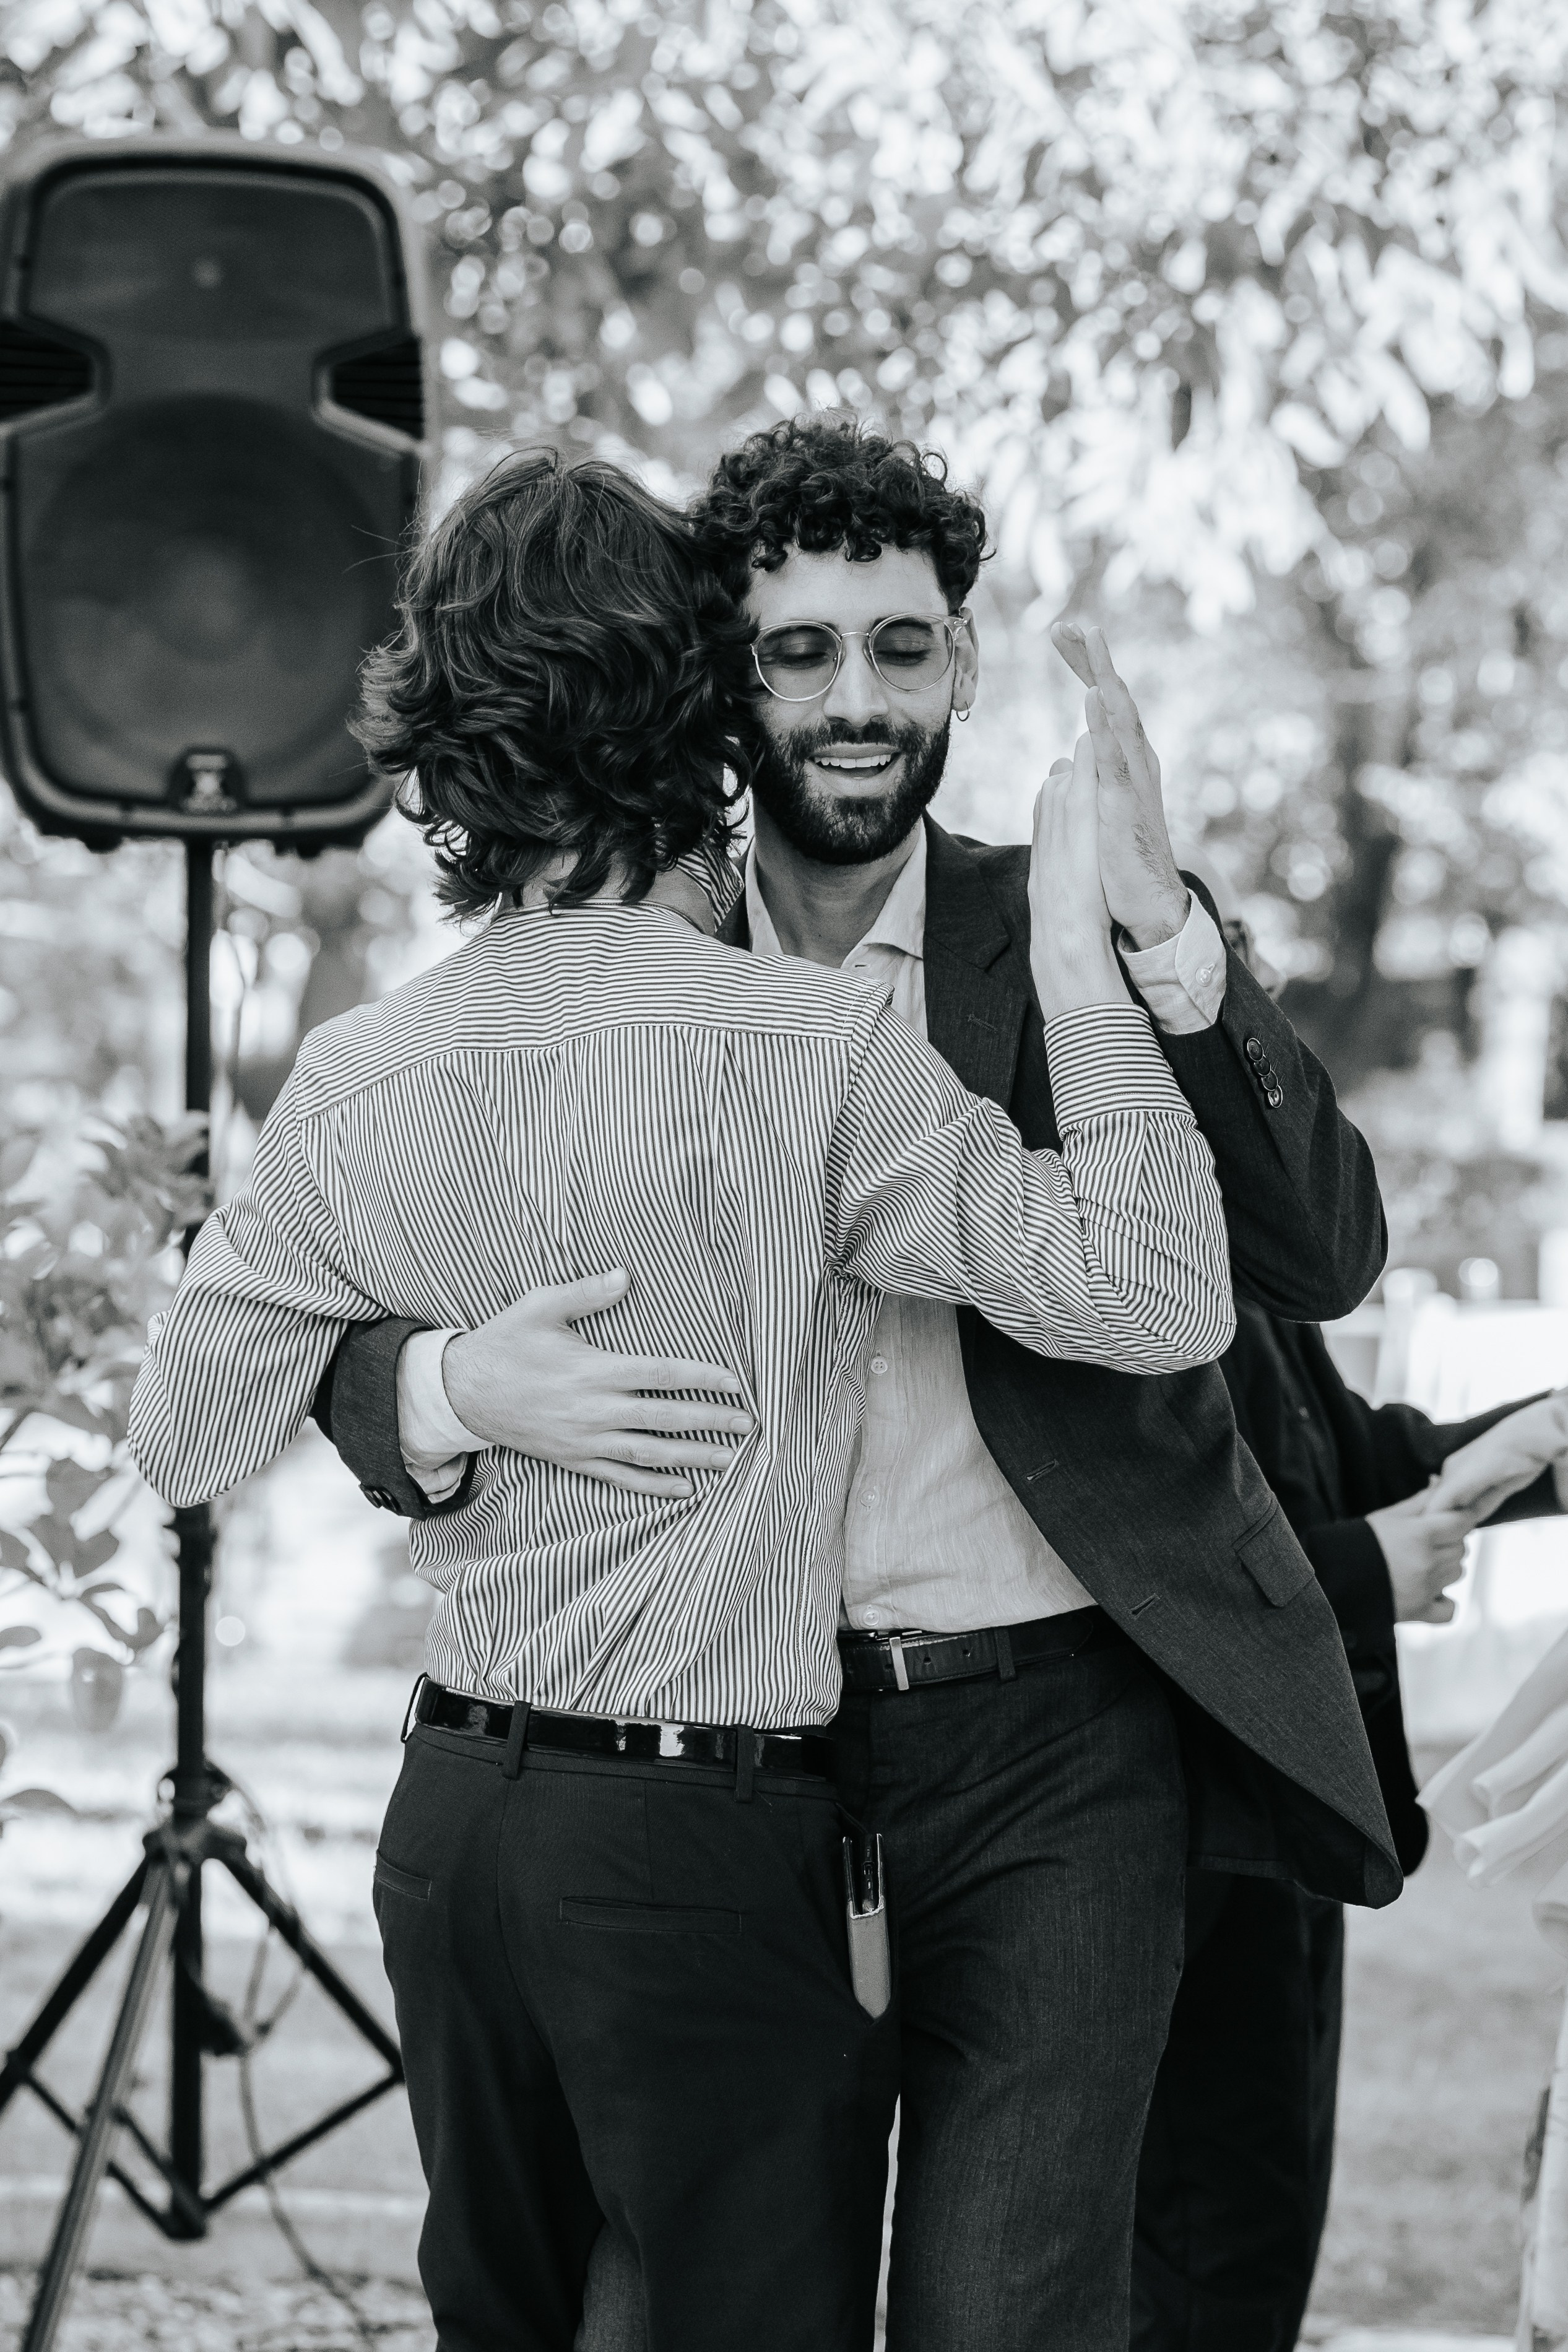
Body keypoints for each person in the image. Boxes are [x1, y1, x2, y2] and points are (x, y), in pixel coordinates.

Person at [128, 448, 1238, 2352]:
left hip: (449, 1823)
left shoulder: (359, 1069)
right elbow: (1152, 1292)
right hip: (693, 1843)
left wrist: (454, 1383)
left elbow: (181, 1438)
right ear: (700, 713)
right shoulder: (805, 1055)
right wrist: (1081, 966)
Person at [1132, 1283, 1568, 2352]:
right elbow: (1129, 1541)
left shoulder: (1229, 1222)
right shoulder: (1096, 1229)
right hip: (1174, 1818)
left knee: (1264, 2215)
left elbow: (1327, 1451)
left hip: (1289, 1811)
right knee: (1199, 2240)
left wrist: (1529, 1442)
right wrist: (1362, 1568)